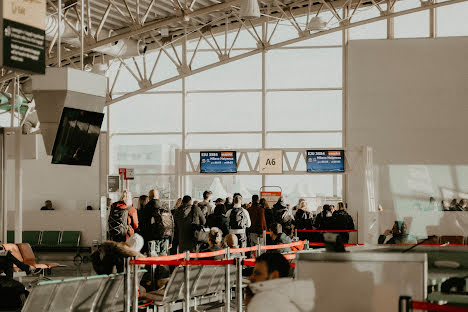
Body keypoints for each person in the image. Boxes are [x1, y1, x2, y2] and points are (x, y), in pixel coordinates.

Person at [246, 253, 315, 312]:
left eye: (257, 273)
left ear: (274, 276)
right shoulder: (299, 295)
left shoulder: (262, 301)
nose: (251, 277)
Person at [143, 190, 175, 256]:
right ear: (158, 197)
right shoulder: (165, 207)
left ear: (149, 197)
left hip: (152, 238)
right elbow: (171, 224)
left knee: (154, 259)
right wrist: (171, 240)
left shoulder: (147, 207)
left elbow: (144, 225)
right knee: (163, 259)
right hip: (165, 237)